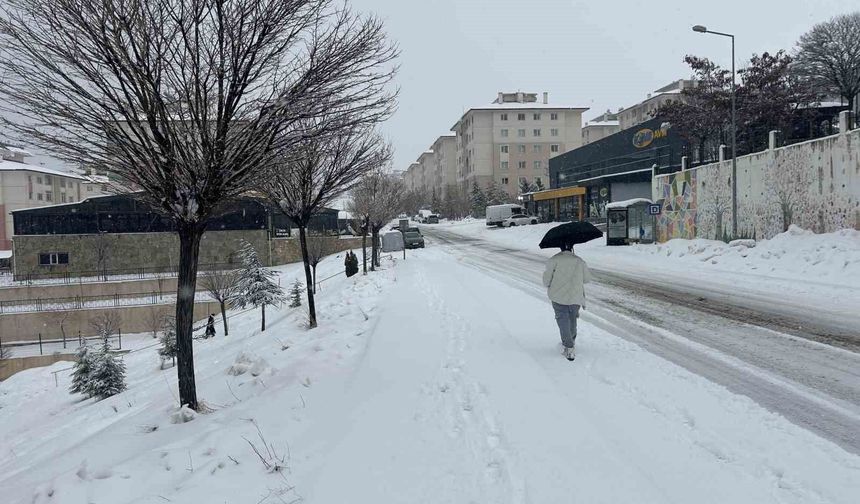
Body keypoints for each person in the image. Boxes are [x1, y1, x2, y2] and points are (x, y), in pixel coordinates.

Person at [542, 241, 591, 361]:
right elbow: (586, 279)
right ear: (572, 247)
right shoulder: (579, 261)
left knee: (562, 320)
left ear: (560, 247)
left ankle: (569, 347)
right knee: (572, 318)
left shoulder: (554, 260)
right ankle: (571, 340)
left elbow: (546, 281)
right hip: (575, 297)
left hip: (558, 296)